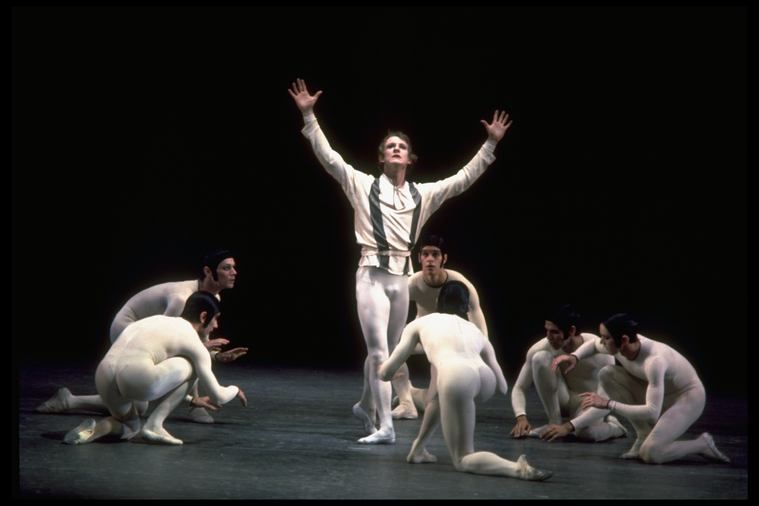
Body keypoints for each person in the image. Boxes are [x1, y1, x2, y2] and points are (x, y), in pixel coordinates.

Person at [289, 78, 512, 444]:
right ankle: (386, 428)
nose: (396, 149)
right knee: (378, 351)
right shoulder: (362, 184)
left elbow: (462, 180)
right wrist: (310, 116)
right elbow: (329, 158)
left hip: (400, 280)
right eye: (390, 146)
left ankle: (365, 403)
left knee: (389, 355)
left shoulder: (423, 195)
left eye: (401, 146)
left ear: (409, 158)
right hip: (371, 275)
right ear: (381, 157)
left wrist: (490, 143)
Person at [35, 249, 246, 424]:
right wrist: (193, 397)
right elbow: (174, 339)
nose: (234, 272)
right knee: (173, 366)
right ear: (209, 272)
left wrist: (215, 355)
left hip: (145, 329)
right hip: (128, 326)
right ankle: (193, 406)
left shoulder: (212, 297)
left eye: (234, 268)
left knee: (138, 404)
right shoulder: (181, 299)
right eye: (227, 268)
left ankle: (70, 401)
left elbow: (195, 341)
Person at [379, 281, 552, 481]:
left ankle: (516, 468)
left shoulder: (420, 323)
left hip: (457, 376)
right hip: (484, 379)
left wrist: (383, 371)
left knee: (462, 458)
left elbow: (386, 373)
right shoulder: (476, 331)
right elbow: (502, 388)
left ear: (437, 301)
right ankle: (418, 450)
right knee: (438, 398)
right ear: (467, 308)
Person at [63, 291, 247, 446]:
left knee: (130, 428)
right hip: (136, 377)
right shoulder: (193, 340)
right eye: (215, 319)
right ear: (203, 316)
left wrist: (191, 400)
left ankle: (96, 429)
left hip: (103, 375)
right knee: (193, 366)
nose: (216, 326)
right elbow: (218, 396)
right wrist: (235, 389)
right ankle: (154, 425)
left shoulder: (154, 320)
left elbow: (163, 377)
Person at [552, 313, 731, 464]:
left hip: (688, 397)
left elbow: (653, 412)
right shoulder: (619, 346)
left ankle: (701, 444)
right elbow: (593, 345)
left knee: (651, 454)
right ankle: (643, 434)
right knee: (607, 373)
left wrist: (608, 404)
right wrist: (575, 357)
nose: (601, 342)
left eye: (606, 338)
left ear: (623, 340)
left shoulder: (654, 361)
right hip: (662, 394)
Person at [394, 234, 489, 418]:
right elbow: (393, 317)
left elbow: (478, 320)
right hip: (423, 338)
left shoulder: (460, 283)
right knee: (389, 344)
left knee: (436, 403)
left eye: (435, 255)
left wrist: (481, 356)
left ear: (444, 258)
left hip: (449, 344)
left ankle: (411, 393)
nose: (430, 259)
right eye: (426, 254)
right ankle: (406, 403)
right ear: (419, 258)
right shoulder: (411, 285)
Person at [509, 304, 628, 442]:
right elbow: (519, 387)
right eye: (547, 331)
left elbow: (608, 398)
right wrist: (521, 417)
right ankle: (554, 422)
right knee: (540, 358)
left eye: (554, 332)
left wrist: (570, 426)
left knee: (586, 434)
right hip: (564, 400)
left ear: (571, 331)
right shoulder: (542, 346)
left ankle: (615, 428)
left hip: (588, 403)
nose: (549, 337)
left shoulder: (598, 349)